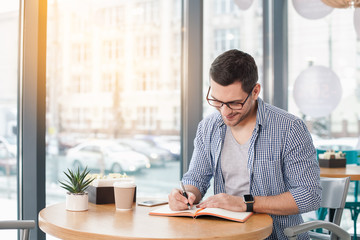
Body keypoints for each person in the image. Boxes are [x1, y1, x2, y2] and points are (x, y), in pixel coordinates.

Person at [168, 49, 321, 239]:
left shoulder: (290, 129)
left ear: (255, 91)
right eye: (217, 101)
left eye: (234, 103)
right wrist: (185, 195)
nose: (224, 112)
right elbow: (196, 179)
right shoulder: (208, 127)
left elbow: (309, 196)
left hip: (276, 236)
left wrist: (245, 203)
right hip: (225, 234)